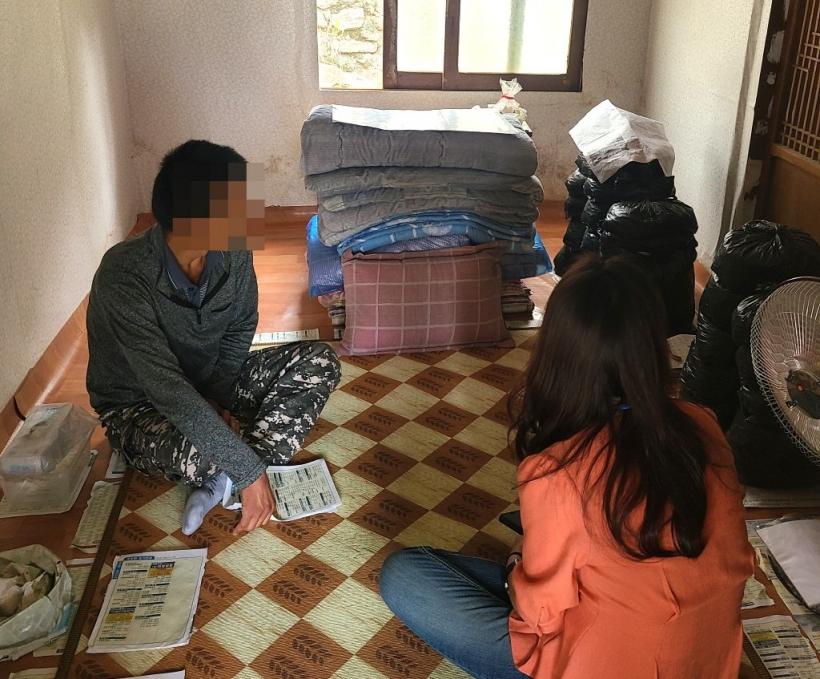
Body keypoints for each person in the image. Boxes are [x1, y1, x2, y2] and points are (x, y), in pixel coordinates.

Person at [379, 255, 754, 679]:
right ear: (652, 345)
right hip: (708, 662)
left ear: (555, 353)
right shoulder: (703, 423)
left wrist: (516, 565)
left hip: (596, 665)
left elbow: (538, 613)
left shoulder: (558, 472)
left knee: (406, 575)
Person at [86, 140, 340, 536]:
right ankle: (231, 471)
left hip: (210, 378)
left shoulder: (234, 249)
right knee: (202, 452)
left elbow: (241, 325)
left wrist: (217, 398)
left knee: (319, 362)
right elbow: (167, 389)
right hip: (139, 404)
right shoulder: (124, 275)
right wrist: (247, 469)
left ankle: (220, 481)